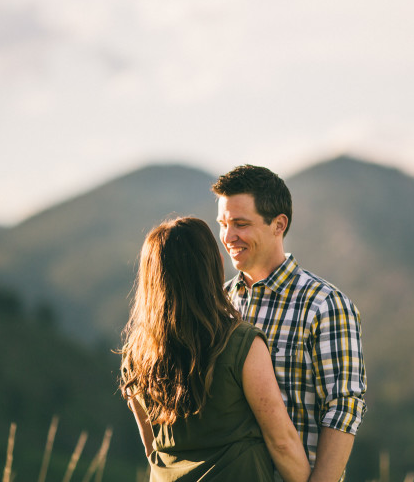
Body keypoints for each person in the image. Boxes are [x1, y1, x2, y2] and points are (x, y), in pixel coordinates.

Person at [118, 217, 311, 482]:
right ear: (216, 266)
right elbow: (281, 442)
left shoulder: (136, 356)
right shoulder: (242, 344)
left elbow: (152, 447)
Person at [212, 165, 367, 482]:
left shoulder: (325, 305)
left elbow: (343, 408)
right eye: (223, 224)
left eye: (241, 224)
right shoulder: (218, 305)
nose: (228, 237)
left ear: (278, 225)